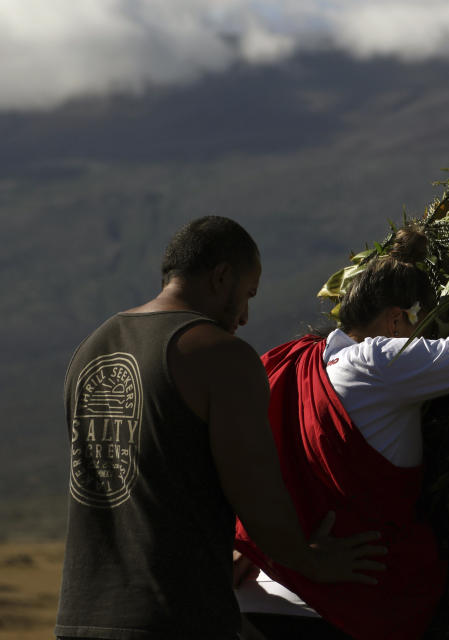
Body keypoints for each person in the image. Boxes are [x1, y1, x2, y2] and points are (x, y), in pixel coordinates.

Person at [56, 216, 386, 640]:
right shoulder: (220, 356)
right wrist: (313, 561)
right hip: (175, 620)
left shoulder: (92, 347)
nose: (246, 316)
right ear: (222, 276)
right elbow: (255, 491)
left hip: (80, 617)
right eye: (247, 295)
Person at [233, 228, 449, 639]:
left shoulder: (295, 359)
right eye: (417, 324)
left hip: (255, 599)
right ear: (395, 319)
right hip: (335, 609)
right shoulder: (382, 359)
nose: (420, 339)